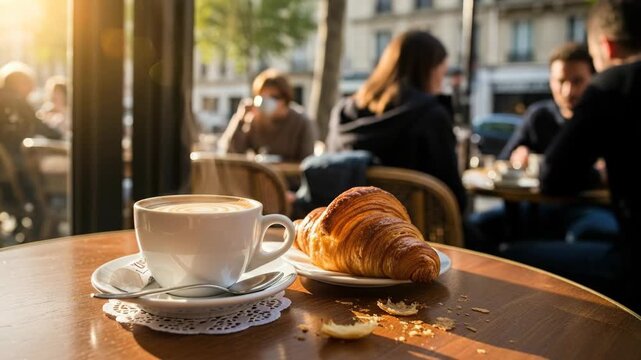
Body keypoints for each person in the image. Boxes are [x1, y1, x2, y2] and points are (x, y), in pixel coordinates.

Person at [506, 0, 641, 312]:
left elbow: (553, 176)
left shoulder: (614, 85)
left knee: (504, 256)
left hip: (632, 265)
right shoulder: (539, 115)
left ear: (606, 47)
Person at [326, 30, 466, 212]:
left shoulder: (343, 114)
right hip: (420, 235)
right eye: (442, 71)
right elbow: (455, 201)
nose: (442, 80)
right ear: (430, 70)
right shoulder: (431, 116)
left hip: (350, 228)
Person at [499, 43, 595, 168]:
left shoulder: (605, 118)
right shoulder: (537, 116)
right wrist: (518, 157)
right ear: (551, 81)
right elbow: (503, 163)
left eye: (577, 81)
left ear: (593, 79)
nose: (568, 91)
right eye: (561, 81)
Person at [218, 68, 317, 162]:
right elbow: (230, 153)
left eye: (274, 97)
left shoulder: (302, 122)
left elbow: (307, 161)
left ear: (285, 99)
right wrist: (240, 119)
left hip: (289, 178)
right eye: (262, 96)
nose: (268, 101)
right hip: (258, 178)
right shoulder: (254, 120)